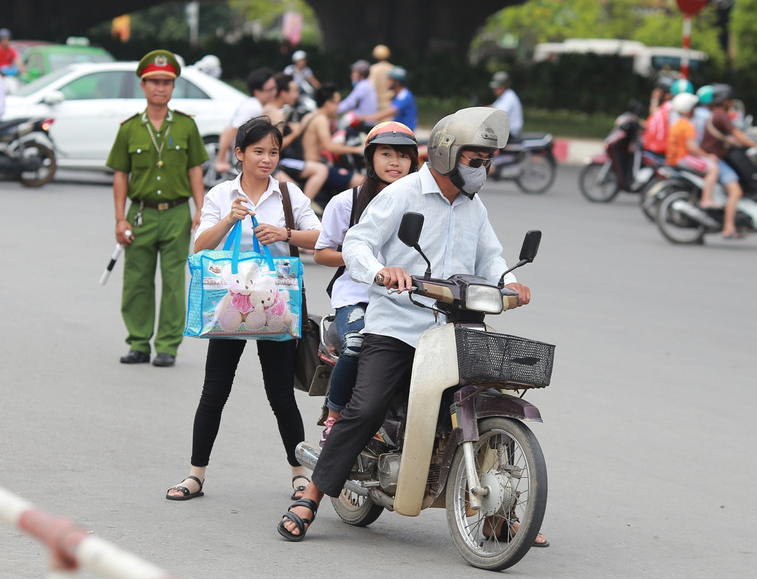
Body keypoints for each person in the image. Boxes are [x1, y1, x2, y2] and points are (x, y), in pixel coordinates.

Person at [277, 107, 545, 548]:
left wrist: (510, 283)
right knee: (365, 408)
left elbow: (491, 258)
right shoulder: (403, 195)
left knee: (484, 401)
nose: (481, 170)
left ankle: (500, 516)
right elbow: (359, 242)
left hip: (456, 328)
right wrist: (381, 271)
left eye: (486, 162)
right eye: (473, 160)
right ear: (446, 155)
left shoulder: (473, 208)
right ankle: (311, 495)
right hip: (399, 326)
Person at [166, 117, 322, 501]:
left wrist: (284, 233)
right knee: (214, 390)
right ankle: (195, 475)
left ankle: (299, 474)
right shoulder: (221, 194)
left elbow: (320, 238)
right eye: (258, 152)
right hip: (230, 304)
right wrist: (229, 220)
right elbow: (200, 247)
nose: (266, 159)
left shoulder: (288, 194)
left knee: (281, 394)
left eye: (273, 152)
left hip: (276, 305)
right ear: (239, 154)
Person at [313, 121, 420, 441]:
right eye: (385, 154)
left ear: (414, 162)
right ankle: (334, 417)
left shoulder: (423, 203)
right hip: (357, 296)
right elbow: (321, 254)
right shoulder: (346, 202)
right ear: (370, 159)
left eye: (403, 156)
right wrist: (366, 262)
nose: (394, 162)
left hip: (407, 297)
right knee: (358, 343)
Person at [106, 49, 207, 367]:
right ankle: (138, 342)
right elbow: (121, 174)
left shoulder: (187, 126)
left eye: (166, 82)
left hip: (177, 212)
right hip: (141, 214)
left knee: (174, 281)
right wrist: (120, 218)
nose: (160, 87)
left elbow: (195, 170)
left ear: (173, 86)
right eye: (154, 82)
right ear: (143, 85)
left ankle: (167, 346)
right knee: (137, 279)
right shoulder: (129, 128)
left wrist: (201, 209)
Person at [699, 84, 757, 239]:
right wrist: (756, 145)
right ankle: (728, 227)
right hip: (716, 159)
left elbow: (732, 135)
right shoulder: (721, 115)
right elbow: (736, 133)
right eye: (730, 100)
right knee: (736, 191)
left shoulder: (716, 114)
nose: (732, 103)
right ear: (724, 100)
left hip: (713, 157)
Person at [269, 74, 331, 204]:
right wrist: (295, 134)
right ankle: (304, 209)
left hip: (276, 161)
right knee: (318, 172)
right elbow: (275, 146)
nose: (297, 95)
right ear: (283, 93)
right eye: (294, 91)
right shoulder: (277, 113)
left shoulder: (275, 109)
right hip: (276, 163)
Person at [298, 84, 365, 192]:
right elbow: (329, 147)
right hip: (316, 166)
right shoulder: (321, 119)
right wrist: (356, 149)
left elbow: (314, 143)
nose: (338, 107)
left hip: (307, 164)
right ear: (328, 103)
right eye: (337, 103)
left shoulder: (308, 116)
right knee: (361, 181)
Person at [215, 67, 277, 173]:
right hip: (244, 160)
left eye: (275, 88)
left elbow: (227, 128)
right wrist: (221, 159)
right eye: (270, 90)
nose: (274, 93)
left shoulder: (252, 104)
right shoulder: (253, 108)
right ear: (257, 92)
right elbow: (233, 129)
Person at [666, 92, 721, 209]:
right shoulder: (688, 126)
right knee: (713, 168)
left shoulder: (677, 123)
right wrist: (708, 156)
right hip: (682, 158)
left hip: (674, 158)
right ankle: (706, 199)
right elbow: (693, 148)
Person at [359, 66, 417, 132]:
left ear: (397, 82)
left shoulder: (404, 95)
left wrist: (366, 118)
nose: (387, 82)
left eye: (390, 79)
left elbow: (389, 112)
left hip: (404, 133)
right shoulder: (399, 95)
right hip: (398, 131)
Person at [336, 59, 378, 126]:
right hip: (367, 123)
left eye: (354, 72)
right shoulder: (366, 84)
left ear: (361, 74)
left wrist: (334, 109)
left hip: (364, 125)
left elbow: (349, 103)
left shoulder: (362, 86)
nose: (352, 75)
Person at [489, 71, 523, 141]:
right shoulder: (503, 96)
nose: (494, 90)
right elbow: (492, 106)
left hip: (510, 134)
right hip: (506, 133)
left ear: (504, 86)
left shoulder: (509, 97)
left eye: (497, 88)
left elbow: (497, 112)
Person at [369, 44, 394, 111]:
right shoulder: (392, 68)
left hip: (377, 102)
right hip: (391, 102)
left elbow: (371, 86)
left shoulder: (373, 69)